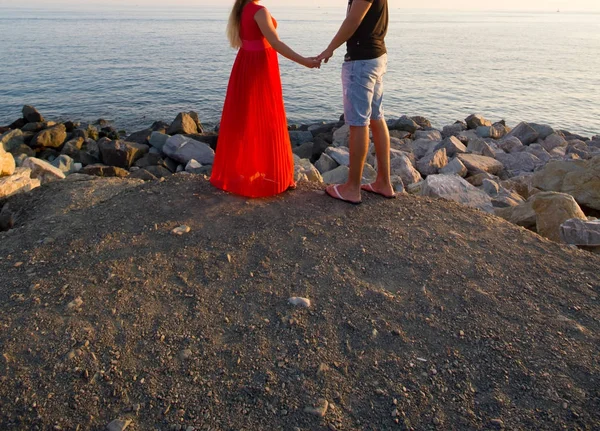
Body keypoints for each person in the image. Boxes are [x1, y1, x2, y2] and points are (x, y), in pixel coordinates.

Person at [210, 0, 321, 198]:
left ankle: (244, 172)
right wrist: (305, 62)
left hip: (245, 66)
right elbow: (276, 43)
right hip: (260, 68)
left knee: (245, 120)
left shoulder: (242, 9)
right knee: (268, 120)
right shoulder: (259, 11)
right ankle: (275, 176)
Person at [318, 0, 393, 204]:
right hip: (376, 56)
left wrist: (329, 49)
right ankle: (383, 183)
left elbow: (353, 20)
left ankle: (352, 188)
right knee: (377, 118)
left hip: (361, 61)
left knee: (358, 123)